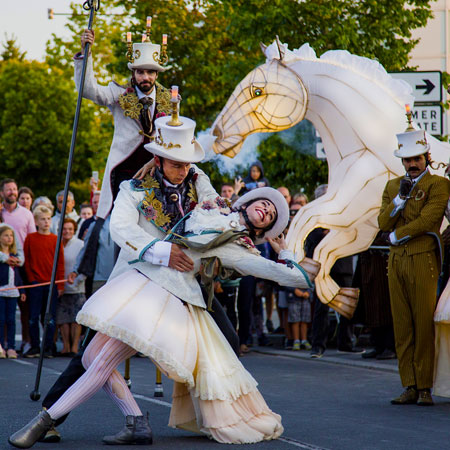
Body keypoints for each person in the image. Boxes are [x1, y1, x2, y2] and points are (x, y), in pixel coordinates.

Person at [9, 114, 314, 448]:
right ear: (157, 159)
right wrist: (161, 251)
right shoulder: (136, 189)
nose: (183, 170)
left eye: (187, 164)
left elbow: (222, 211)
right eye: (175, 163)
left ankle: (220, 410)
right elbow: (122, 228)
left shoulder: (204, 189)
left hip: (179, 290)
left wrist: (280, 252)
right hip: (135, 277)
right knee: (90, 353)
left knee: (224, 342)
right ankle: (116, 419)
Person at [378, 128, 450, 406]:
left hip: (423, 258)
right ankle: (408, 384)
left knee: (423, 324)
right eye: (407, 160)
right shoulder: (392, 187)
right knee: (402, 325)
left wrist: (399, 234)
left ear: (427, 157)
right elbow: (382, 222)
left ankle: (425, 387)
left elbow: (428, 219)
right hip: (395, 261)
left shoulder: (439, 184)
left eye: (417, 158)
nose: (412, 164)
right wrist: (398, 202)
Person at [75, 28, 172, 219]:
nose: (146, 77)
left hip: (157, 172)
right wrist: (86, 53)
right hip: (123, 172)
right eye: (141, 72)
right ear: (134, 73)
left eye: (150, 72)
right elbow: (89, 90)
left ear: (157, 75)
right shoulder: (120, 95)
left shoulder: (170, 101)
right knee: (120, 223)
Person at [23, 205, 65, 358]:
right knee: (33, 317)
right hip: (36, 285)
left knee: (49, 317)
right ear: (36, 221)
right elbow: (27, 262)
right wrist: (32, 280)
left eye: (48, 219)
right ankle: (34, 346)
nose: (46, 222)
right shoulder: (30, 238)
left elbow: (60, 263)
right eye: (43, 219)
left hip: (51, 285)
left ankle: (48, 346)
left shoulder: (56, 239)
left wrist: (60, 284)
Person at [56, 219, 85, 356]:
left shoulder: (80, 244)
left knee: (75, 319)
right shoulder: (56, 243)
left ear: (74, 230)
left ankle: (74, 347)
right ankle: (65, 347)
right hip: (61, 287)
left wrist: (79, 280)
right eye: (64, 229)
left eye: (70, 229)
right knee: (63, 319)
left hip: (77, 287)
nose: (67, 231)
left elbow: (85, 264)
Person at [0, 225, 25, 359]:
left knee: (11, 320)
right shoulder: (1, 258)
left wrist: (22, 290)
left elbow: (18, 276)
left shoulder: (14, 256)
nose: (9, 238)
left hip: (12, 292)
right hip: (1, 291)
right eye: (6, 235)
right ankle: (1, 347)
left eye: (11, 236)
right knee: (1, 319)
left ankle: (11, 347)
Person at [1, 178, 36, 247]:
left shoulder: (27, 214)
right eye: (9, 190)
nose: (12, 192)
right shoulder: (0, 211)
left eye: (14, 189)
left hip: (22, 256)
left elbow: (33, 239)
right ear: (2, 193)